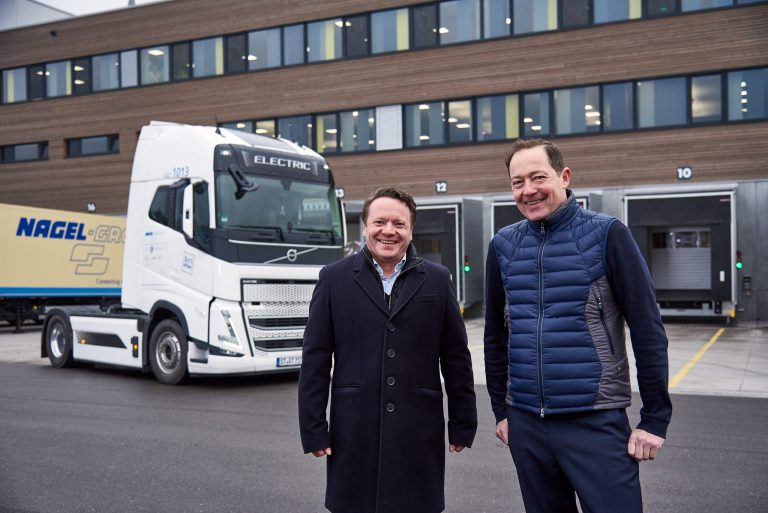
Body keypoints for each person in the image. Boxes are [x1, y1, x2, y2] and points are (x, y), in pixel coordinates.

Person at [484, 139, 672, 513]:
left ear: (564, 176)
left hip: (595, 422)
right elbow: (495, 337)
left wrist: (655, 418)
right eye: (517, 182)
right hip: (526, 425)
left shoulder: (607, 234)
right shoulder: (503, 246)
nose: (528, 190)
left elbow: (648, 329)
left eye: (538, 177)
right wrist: (501, 412)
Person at [299, 186, 477, 513]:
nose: (388, 231)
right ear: (365, 226)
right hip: (354, 428)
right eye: (379, 222)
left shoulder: (437, 280)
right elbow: (315, 358)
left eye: (399, 224)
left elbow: (456, 357)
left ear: (411, 231)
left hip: (418, 427)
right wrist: (313, 428)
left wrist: (463, 422)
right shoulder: (334, 278)